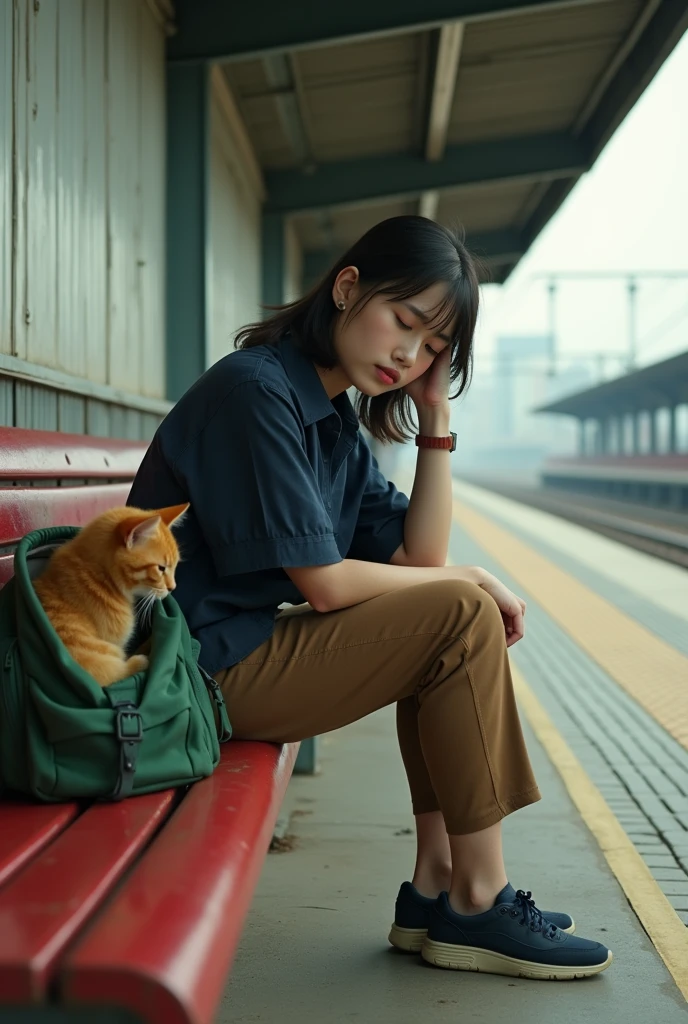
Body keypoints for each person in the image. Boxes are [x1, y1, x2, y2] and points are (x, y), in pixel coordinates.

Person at [128, 215, 612, 980]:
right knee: (458, 610)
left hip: (228, 656)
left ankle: (436, 886)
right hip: (191, 675)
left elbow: (419, 557)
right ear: (349, 288)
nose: (408, 354)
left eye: (432, 348)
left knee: (451, 609)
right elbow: (327, 585)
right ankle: (479, 898)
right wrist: (468, 579)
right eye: (405, 323)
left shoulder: (331, 419)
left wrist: (437, 426)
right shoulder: (258, 393)